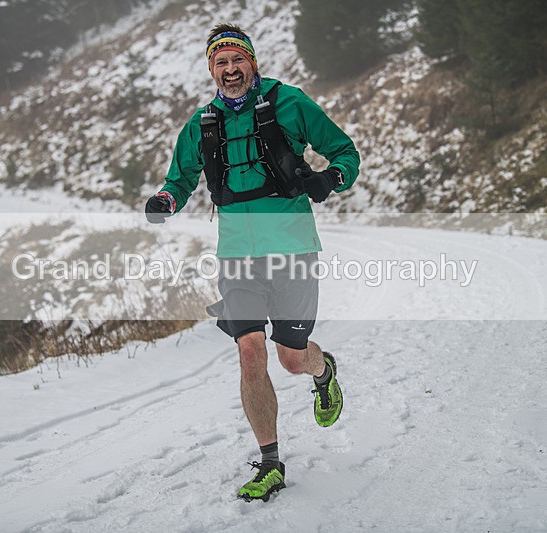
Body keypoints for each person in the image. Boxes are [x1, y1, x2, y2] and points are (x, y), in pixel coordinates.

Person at [144, 23, 360, 502]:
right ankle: (270, 463)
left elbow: (346, 153)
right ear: (211, 70)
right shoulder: (203, 122)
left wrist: (332, 178)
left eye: (237, 59)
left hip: (292, 249)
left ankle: (322, 372)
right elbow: (179, 179)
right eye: (220, 62)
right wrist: (165, 200)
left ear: (252, 63)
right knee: (249, 351)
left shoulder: (290, 103)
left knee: (291, 359)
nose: (230, 69)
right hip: (237, 256)